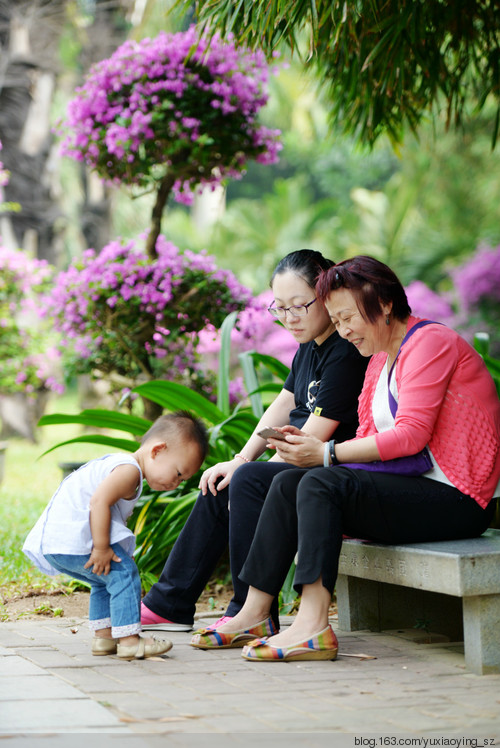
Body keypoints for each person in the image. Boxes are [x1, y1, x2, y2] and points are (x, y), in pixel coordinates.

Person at [190, 255, 500, 661]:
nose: (344, 329)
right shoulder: (379, 362)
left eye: (348, 318)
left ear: (385, 304)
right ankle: (253, 611)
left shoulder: (431, 342)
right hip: (415, 490)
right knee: (288, 480)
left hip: (460, 498)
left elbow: (410, 436)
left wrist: (325, 453)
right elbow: (374, 440)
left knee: (319, 479)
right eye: (336, 321)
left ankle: (313, 625)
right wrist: (313, 456)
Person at [141, 249, 369, 632]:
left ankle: (249, 610)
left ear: (326, 293)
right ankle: (169, 603)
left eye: (299, 306)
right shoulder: (309, 347)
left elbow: (314, 437)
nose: (289, 318)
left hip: (326, 471)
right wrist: (241, 459)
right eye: (279, 308)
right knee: (221, 481)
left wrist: (249, 473)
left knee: (244, 482)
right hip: (299, 464)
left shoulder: (345, 352)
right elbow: (283, 404)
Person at [23, 411, 208, 661]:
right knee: (125, 574)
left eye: (183, 479)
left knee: (104, 579)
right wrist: (101, 547)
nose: (176, 483)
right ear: (157, 450)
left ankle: (104, 637)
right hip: (78, 538)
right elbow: (98, 502)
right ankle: (130, 640)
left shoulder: (120, 466)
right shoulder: (128, 470)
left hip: (58, 541)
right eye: (178, 473)